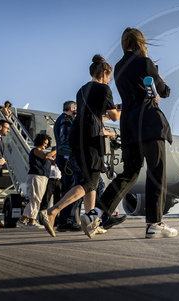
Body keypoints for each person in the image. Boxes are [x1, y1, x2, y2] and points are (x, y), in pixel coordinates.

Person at [81, 27, 177, 239]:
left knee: (129, 173)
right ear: (142, 42)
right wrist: (157, 77)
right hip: (150, 123)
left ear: (125, 43)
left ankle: (95, 212)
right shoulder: (145, 63)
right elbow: (164, 91)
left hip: (129, 126)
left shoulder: (118, 69)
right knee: (156, 171)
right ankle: (155, 223)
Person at [39, 54, 121, 237]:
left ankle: (90, 222)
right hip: (91, 138)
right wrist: (120, 110)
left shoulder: (81, 90)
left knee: (89, 182)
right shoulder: (104, 89)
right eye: (109, 76)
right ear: (104, 73)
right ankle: (53, 211)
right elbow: (115, 117)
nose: (109, 80)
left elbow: (93, 115)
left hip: (78, 136)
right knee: (89, 182)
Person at [52, 100, 82, 232]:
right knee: (73, 188)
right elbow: (65, 140)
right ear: (71, 108)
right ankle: (67, 220)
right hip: (67, 157)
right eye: (76, 107)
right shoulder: (66, 119)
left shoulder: (60, 119)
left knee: (68, 187)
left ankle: (65, 220)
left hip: (63, 157)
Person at [17, 134, 56, 228]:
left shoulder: (42, 152)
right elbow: (46, 156)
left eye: (47, 144)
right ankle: (31, 221)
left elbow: (53, 161)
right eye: (44, 143)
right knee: (35, 199)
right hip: (36, 176)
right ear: (40, 141)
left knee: (35, 199)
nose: (46, 145)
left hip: (43, 177)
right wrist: (57, 149)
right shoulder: (36, 151)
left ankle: (22, 220)